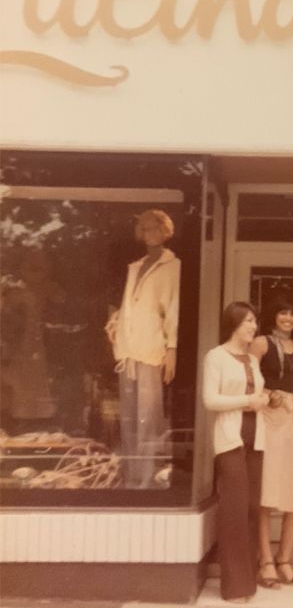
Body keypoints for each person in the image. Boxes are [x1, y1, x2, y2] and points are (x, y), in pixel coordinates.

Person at [106, 209, 180, 488]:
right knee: (129, 416)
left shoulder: (173, 266)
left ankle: (148, 480)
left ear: (165, 230)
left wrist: (171, 349)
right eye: (145, 229)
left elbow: (172, 310)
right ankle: (130, 478)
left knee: (148, 417)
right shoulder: (135, 266)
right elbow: (128, 304)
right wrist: (115, 323)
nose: (149, 234)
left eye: (154, 228)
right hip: (127, 348)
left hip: (151, 348)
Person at [202, 302, 269, 602]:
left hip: (256, 438)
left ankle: (248, 582)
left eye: (255, 321)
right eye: (248, 322)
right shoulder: (215, 357)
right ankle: (234, 586)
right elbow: (210, 400)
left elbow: (255, 395)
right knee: (234, 509)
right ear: (234, 324)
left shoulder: (252, 360)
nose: (253, 327)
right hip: (231, 440)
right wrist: (246, 401)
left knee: (252, 508)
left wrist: (263, 398)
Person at [248, 297, 293, 586]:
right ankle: (266, 561)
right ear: (273, 315)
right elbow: (248, 376)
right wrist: (268, 394)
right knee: (267, 492)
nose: (288, 318)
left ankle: (284, 558)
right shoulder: (261, 342)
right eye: (283, 312)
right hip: (271, 419)